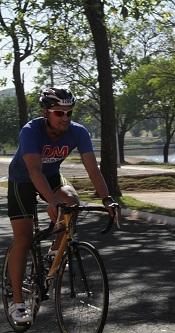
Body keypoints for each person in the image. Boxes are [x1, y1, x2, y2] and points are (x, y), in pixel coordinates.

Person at [6, 87, 118, 324]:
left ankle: (53, 254)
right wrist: (51, 200)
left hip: (52, 176)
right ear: (46, 112)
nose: (65, 118)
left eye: (69, 113)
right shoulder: (31, 131)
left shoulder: (78, 132)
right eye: (59, 113)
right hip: (23, 179)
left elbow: (93, 169)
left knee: (72, 202)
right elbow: (34, 171)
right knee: (24, 239)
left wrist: (107, 198)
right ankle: (17, 302)